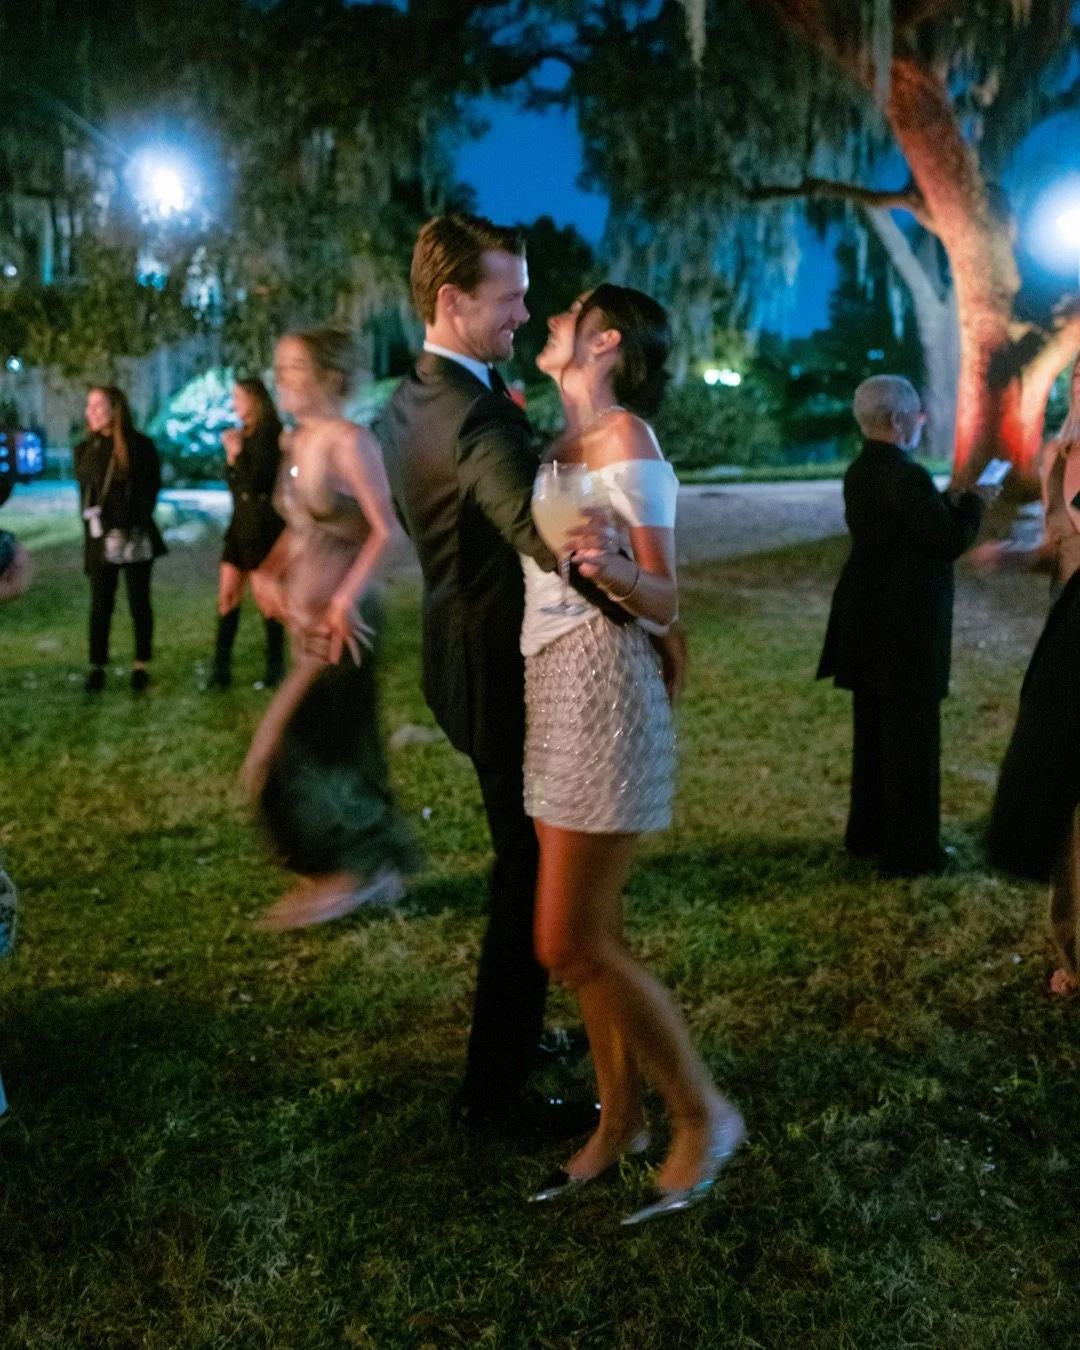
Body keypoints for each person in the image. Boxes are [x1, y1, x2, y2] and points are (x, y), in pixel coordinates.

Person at [377, 213, 611, 1140]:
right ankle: (492, 1091)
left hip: (455, 651)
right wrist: (598, 498)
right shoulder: (472, 413)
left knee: (523, 863)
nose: (525, 310)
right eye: (509, 296)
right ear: (451, 299)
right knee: (524, 874)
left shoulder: (414, 396)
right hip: (497, 670)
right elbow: (543, 528)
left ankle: (514, 1042)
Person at [518, 284, 742, 1225]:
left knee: (565, 939)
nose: (551, 322)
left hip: (606, 691)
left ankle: (704, 1114)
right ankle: (621, 1125)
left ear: (603, 341)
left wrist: (614, 569)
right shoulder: (558, 444)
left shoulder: (627, 441)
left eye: (569, 313)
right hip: (551, 688)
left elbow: (665, 597)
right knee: (590, 941)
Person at [240, 326, 418, 930]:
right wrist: (267, 574)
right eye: (280, 367)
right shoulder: (300, 439)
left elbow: (388, 530)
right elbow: (302, 530)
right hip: (309, 622)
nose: (281, 379)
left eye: (294, 369)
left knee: (298, 747)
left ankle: (345, 874)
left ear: (331, 378)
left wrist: (343, 600)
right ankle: (374, 869)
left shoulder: (349, 443)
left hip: (347, 623)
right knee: (340, 743)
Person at [817, 376, 986, 878]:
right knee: (912, 742)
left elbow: (909, 527)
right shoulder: (906, 476)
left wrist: (947, 500)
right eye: (917, 415)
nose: (921, 422)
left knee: (872, 736)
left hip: (865, 618)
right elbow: (946, 541)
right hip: (905, 626)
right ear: (897, 420)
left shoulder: (861, 470)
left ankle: (867, 834)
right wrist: (976, 502)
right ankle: (912, 854)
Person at [984, 354, 1080, 994]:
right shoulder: (1060, 458)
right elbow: (1063, 547)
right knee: (1063, 794)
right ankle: (1072, 947)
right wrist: (1020, 555)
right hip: (1070, 637)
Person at [74, 386, 167, 693]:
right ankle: (97, 666)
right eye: (89, 406)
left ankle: (141, 665)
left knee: (139, 602)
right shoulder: (86, 449)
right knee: (101, 604)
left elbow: (151, 489)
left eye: (98, 406)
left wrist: (131, 519)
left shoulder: (140, 446)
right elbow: (86, 498)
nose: (91, 412)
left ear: (115, 408)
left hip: (135, 535)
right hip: (102, 539)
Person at [205, 377, 288, 690]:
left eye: (238, 398)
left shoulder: (270, 435)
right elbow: (235, 483)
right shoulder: (242, 435)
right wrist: (232, 456)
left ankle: (275, 667)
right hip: (239, 526)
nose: (234, 404)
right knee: (226, 596)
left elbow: (258, 483)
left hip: (262, 526)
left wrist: (238, 453)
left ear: (255, 400)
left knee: (268, 600)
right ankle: (220, 669)